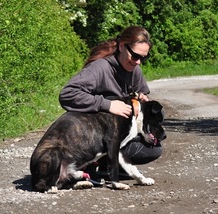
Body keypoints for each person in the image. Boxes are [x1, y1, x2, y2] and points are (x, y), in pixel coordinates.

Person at [59, 26, 162, 178]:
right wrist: (108, 105)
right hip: (92, 134)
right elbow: (68, 94)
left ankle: (107, 163)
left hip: (116, 132)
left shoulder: (135, 70)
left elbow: (144, 96)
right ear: (121, 46)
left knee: (154, 147)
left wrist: (142, 100)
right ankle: (92, 161)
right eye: (135, 56)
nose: (138, 62)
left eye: (144, 58)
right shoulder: (100, 68)